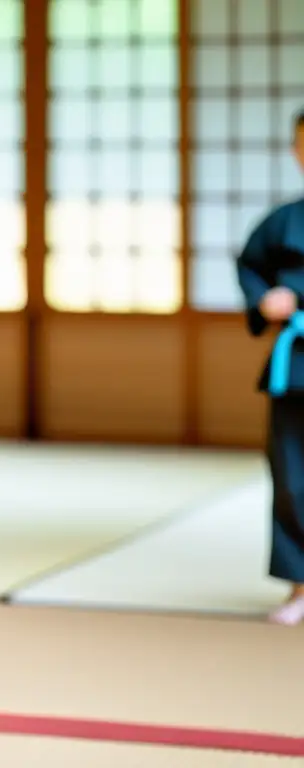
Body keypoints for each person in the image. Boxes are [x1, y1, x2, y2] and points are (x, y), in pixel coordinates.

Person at [236, 109, 304, 626]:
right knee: (292, 476)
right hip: (296, 365)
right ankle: (301, 584)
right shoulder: (283, 221)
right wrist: (265, 302)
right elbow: (251, 267)